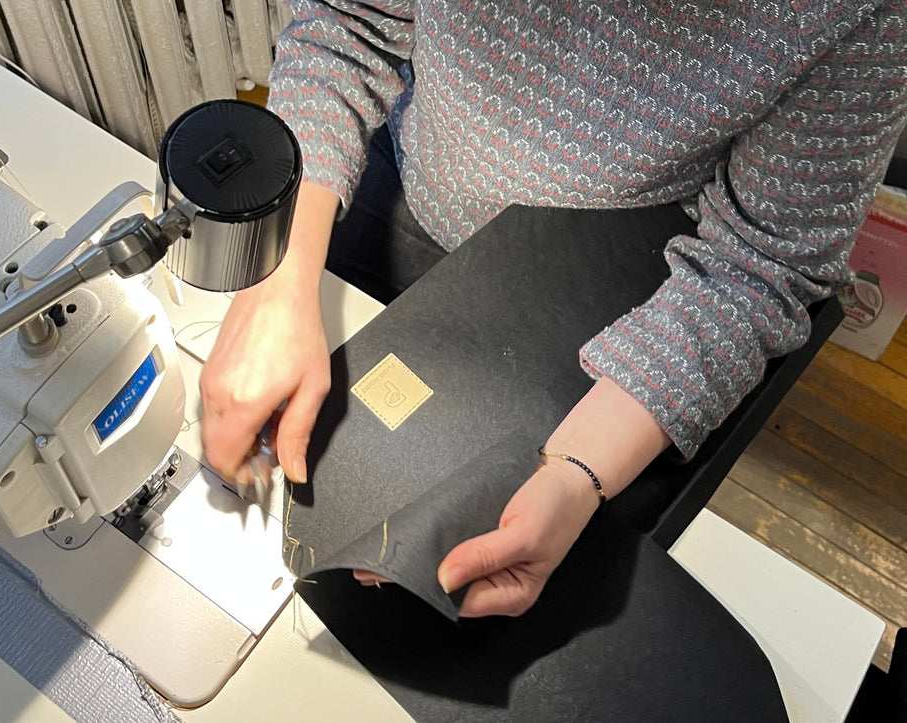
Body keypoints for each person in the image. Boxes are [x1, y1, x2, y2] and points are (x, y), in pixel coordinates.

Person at [199, 0, 907, 618]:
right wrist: (278, 278)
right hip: (407, 186)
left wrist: (575, 473)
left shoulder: (858, 14)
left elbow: (763, 263)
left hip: (599, 305)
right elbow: (351, 23)